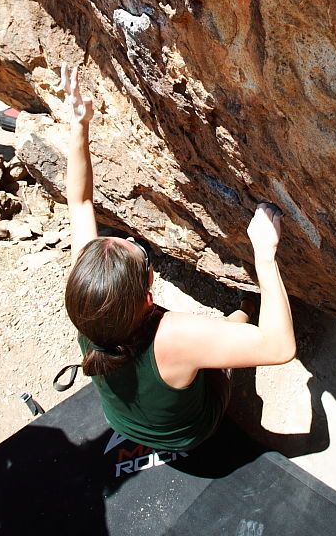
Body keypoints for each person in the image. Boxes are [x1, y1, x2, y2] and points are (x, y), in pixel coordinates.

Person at [61, 64, 296, 451]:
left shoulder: (89, 303)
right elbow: (280, 348)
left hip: (124, 422)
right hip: (191, 431)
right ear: (149, 296)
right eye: (139, 253)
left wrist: (79, 126)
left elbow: (80, 202)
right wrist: (265, 256)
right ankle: (243, 311)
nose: (130, 238)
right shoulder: (174, 336)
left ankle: (241, 313)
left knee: (211, 339)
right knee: (223, 343)